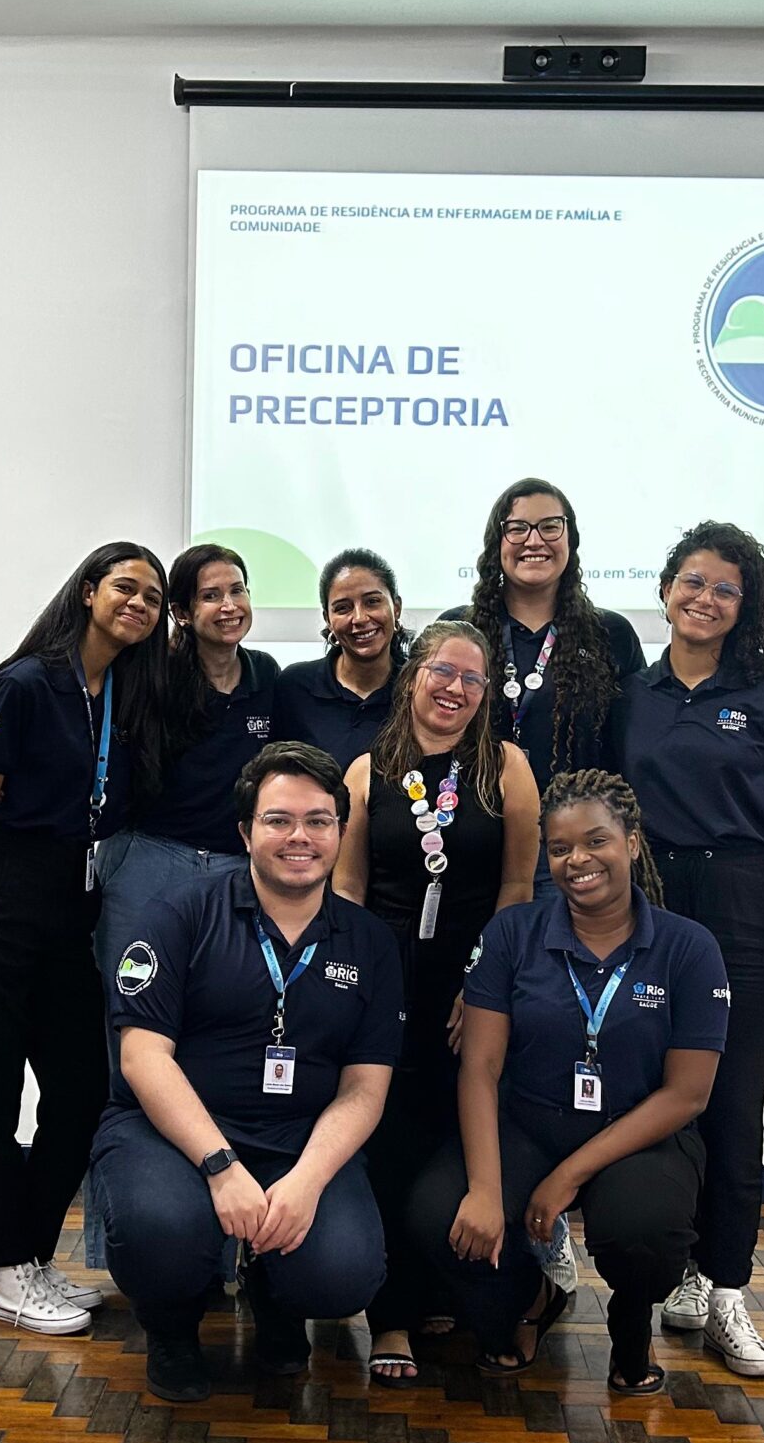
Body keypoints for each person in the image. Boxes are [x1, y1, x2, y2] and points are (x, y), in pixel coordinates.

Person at [95, 741, 404, 1403]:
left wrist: (309, 1181)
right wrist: (220, 1166)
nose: (301, 837)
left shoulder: (370, 942)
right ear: (246, 832)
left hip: (300, 1138)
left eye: (319, 821)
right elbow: (143, 1057)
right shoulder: (179, 916)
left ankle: (276, 1294)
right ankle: (171, 1325)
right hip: (173, 1136)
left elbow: (364, 1087)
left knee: (344, 1274)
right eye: (279, 820)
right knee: (164, 1233)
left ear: (342, 833)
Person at [408, 770, 726, 1394]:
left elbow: (687, 1094)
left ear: (632, 843)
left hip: (638, 1136)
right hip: (528, 1121)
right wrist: (483, 1188)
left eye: (597, 841)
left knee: (645, 1234)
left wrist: (567, 1176)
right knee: (437, 1218)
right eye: (559, 849)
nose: (578, 860)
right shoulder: (512, 934)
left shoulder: (690, 949)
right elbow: (480, 1067)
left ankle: (630, 1325)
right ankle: (529, 1297)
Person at [0, 542, 169, 1338]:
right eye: (125, 588)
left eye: (154, 597)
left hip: (74, 909)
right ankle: (7, 1269)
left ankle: (27, 1254)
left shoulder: (122, 690)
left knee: (82, 1092)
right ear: (89, 591)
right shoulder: (24, 682)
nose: (138, 604)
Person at [613, 519, 764, 1379]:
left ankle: (724, 1283)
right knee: (657, 1092)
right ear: (666, 590)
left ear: (746, 608)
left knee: (734, 1101)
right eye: (692, 582)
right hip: (647, 900)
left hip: (742, 902)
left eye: (725, 590)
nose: (704, 599)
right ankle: (673, 1265)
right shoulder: (633, 693)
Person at [333, 620, 541, 1384]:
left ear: (486, 695)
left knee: (448, 1147)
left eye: (472, 680)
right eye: (442, 672)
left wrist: (483, 986)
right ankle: (390, 1317)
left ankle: (452, 1294)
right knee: (384, 1143)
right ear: (414, 674)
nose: (454, 689)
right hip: (386, 987)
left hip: (473, 992)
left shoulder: (506, 769)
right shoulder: (366, 771)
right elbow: (349, 890)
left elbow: (518, 890)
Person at [94, 543, 279, 979]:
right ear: (181, 611)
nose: (230, 606)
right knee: (130, 997)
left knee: (222, 1004)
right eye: (211, 595)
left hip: (235, 867)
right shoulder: (151, 674)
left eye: (238, 590)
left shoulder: (266, 675)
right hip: (149, 860)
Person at [442, 477, 646, 806]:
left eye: (550, 527)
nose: (534, 541)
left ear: (571, 540)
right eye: (518, 528)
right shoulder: (459, 630)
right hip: (476, 829)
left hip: (577, 836)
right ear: (498, 542)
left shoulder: (611, 633)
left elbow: (633, 745)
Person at [269, 549, 406, 771]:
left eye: (372, 602)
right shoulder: (294, 687)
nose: (360, 618)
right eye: (343, 608)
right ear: (327, 619)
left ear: (396, 608)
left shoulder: (418, 687)